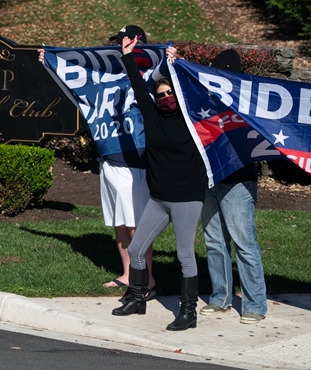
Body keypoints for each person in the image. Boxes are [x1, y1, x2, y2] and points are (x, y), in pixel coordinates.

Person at [39, 25, 153, 291]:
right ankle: (127, 273)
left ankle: (147, 277)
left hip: (133, 161)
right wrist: (50, 61)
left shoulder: (147, 76)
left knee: (136, 224)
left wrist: (167, 58)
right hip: (109, 160)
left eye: (122, 41)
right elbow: (77, 85)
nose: (116, 46)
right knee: (120, 223)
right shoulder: (105, 76)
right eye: (116, 42)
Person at [111, 35, 208, 331]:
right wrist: (128, 55)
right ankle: (138, 298)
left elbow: (197, 91)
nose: (166, 98)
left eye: (170, 94)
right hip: (159, 198)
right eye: (161, 94)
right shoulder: (152, 116)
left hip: (187, 198)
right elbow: (141, 88)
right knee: (138, 249)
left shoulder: (192, 119)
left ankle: (188, 312)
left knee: (184, 255)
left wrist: (175, 63)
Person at [199, 49, 267, 325]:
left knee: (244, 243)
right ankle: (221, 297)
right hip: (209, 179)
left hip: (239, 181)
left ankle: (255, 304)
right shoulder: (203, 100)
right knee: (214, 241)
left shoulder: (250, 102)